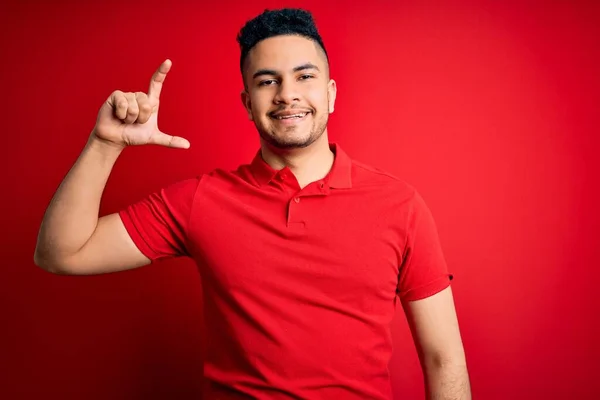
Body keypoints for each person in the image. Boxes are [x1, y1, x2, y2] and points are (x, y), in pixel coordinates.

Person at [34, 8, 471, 400]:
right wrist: (105, 143)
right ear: (248, 103)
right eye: (267, 81)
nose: (287, 94)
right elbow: (61, 253)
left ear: (331, 94)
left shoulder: (400, 205)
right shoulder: (202, 200)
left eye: (304, 76)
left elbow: (443, 359)